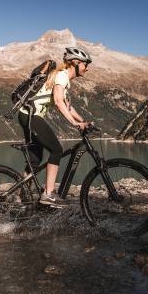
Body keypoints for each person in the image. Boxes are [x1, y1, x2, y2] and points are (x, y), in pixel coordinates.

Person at [18, 46, 92, 206]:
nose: (87, 69)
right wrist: (74, 124)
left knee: (35, 160)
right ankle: (48, 194)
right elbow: (59, 102)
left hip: (27, 115)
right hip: (31, 116)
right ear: (76, 62)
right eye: (86, 64)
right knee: (57, 150)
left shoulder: (63, 79)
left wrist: (83, 121)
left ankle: (22, 199)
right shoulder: (62, 76)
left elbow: (69, 107)